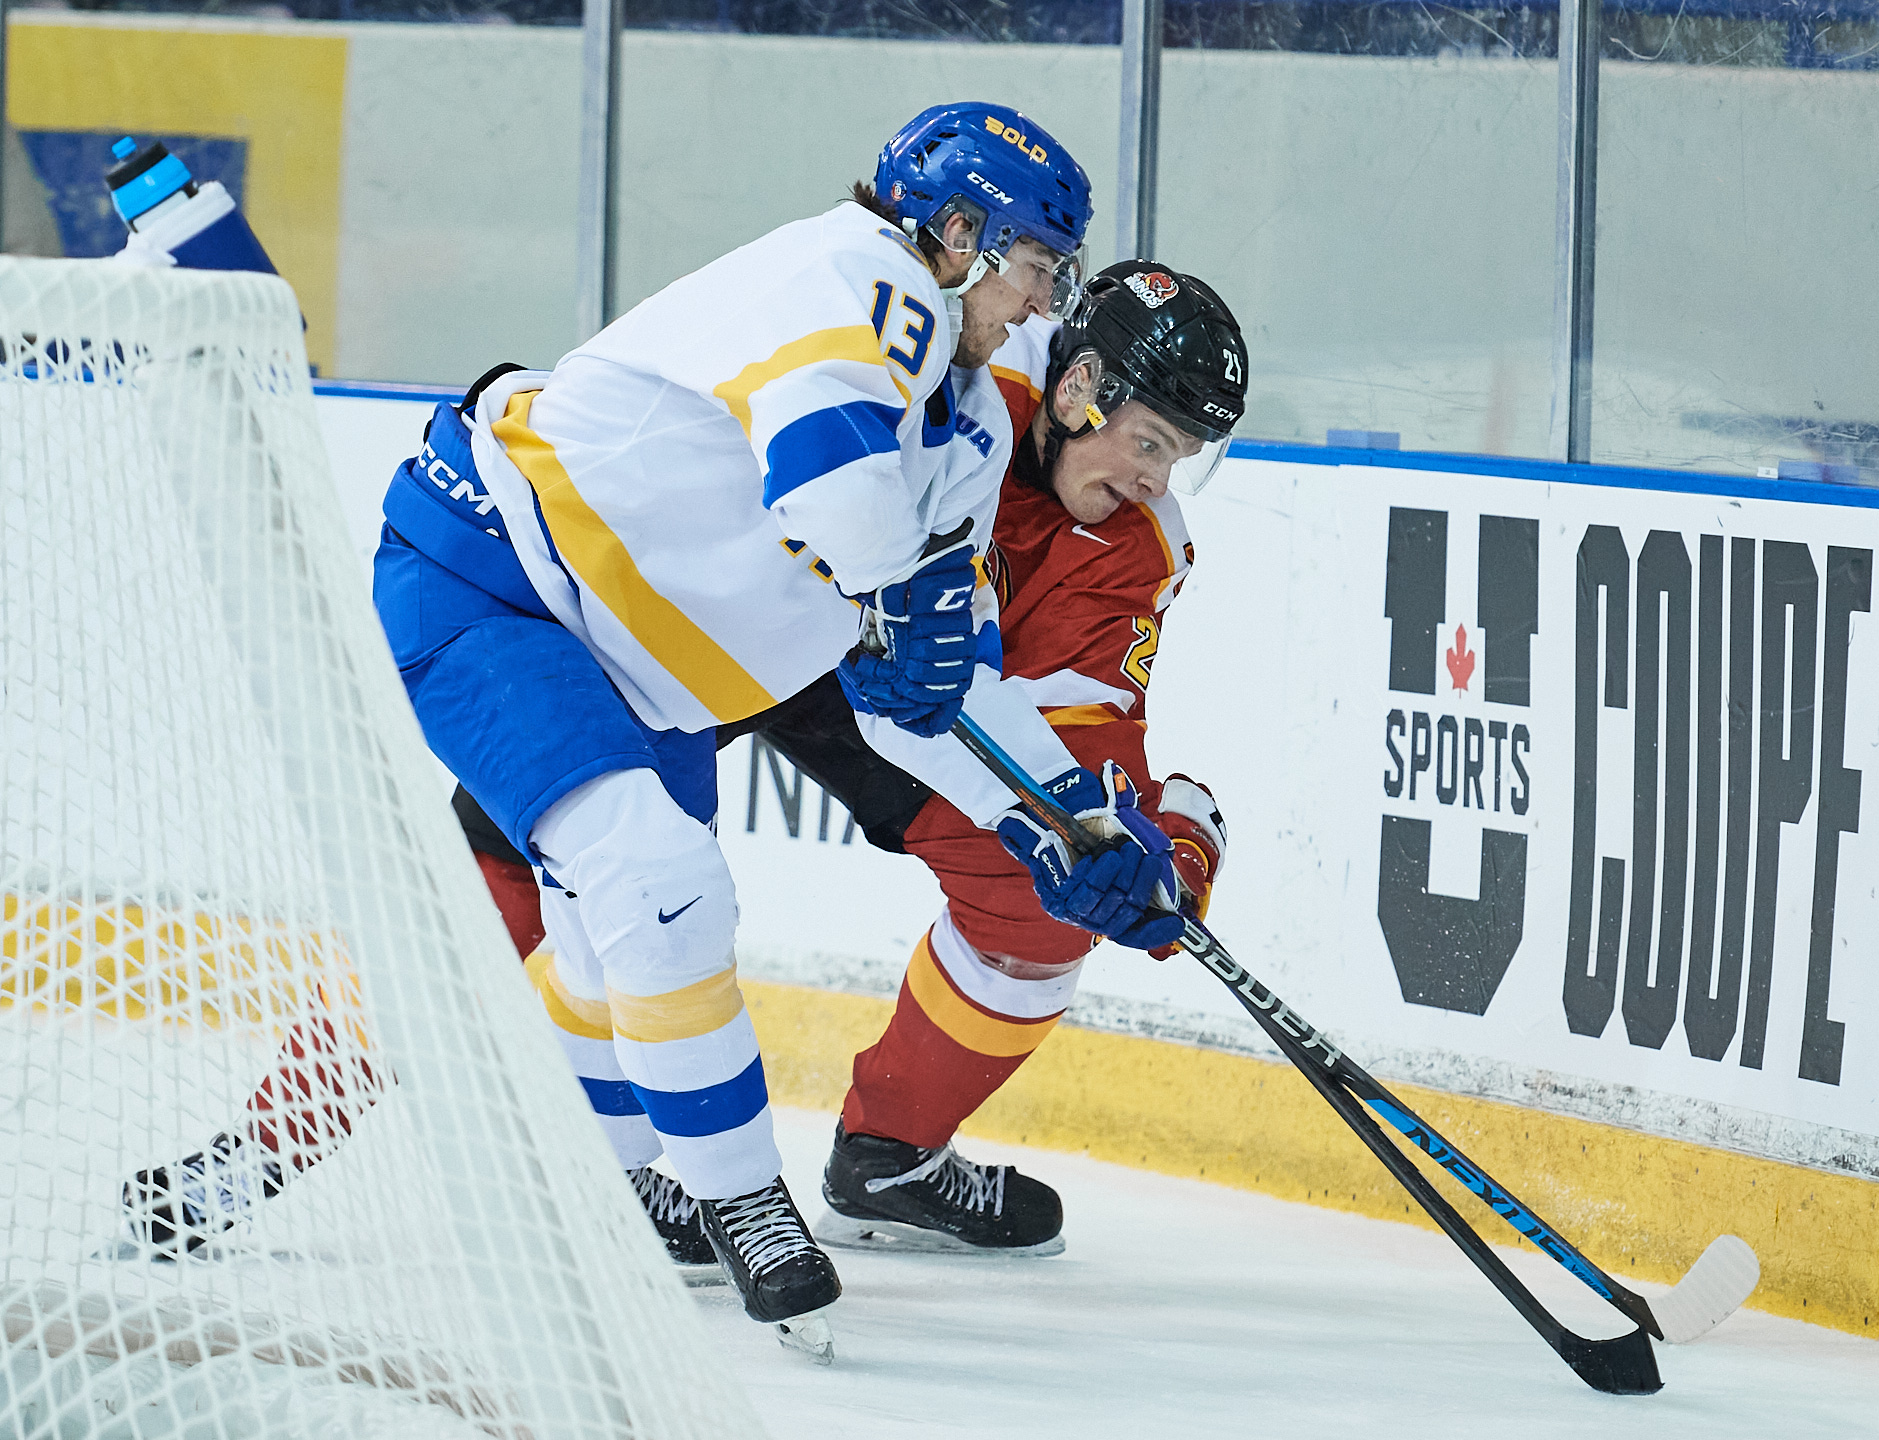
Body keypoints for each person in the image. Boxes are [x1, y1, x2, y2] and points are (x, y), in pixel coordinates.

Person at [118, 105, 1180, 1351]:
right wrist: (913, 603)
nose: (1043, 299)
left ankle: (757, 1168)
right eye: (1036, 266)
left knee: (630, 915)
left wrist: (1074, 819)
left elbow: (976, 684)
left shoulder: (1010, 438)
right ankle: (293, 1137)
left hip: (730, 651)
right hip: (589, 595)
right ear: (961, 238)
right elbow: (836, 487)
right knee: (552, 888)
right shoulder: (884, 290)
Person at [459, 261, 1252, 1260]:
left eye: (1178, 459)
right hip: (721, 604)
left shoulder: (1136, 544)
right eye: (1150, 444)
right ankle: (295, 1112)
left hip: (895, 684)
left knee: (1031, 892)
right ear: (1079, 385)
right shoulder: (951, 374)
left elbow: (1081, 730)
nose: (1153, 480)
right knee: (533, 849)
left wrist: (1156, 848)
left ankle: (892, 1159)